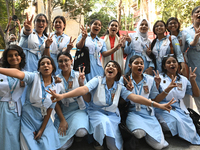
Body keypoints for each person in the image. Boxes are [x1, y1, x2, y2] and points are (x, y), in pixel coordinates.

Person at [47, 60, 175, 150]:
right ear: (105, 69)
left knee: (114, 147)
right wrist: (62, 96)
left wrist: (157, 105)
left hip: (113, 116)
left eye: (114, 66)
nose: (111, 67)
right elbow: (84, 90)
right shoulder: (97, 80)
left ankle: (104, 139)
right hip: (96, 113)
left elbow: (135, 97)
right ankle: (98, 139)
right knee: (103, 123)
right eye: (108, 65)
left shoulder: (119, 86)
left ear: (118, 71)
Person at [0, 55, 63, 150]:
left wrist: (42, 130)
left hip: (44, 118)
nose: (46, 66)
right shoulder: (33, 77)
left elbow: (50, 108)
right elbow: (18, 73)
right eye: (42, 64)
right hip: (28, 118)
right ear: (39, 68)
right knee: (28, 146)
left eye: (48, 63)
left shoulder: (57, 85)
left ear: (53, 67)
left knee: (49, 145)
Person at [121, 55, 170, 149]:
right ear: (130, 65)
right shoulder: (124, 79)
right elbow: (121, 103)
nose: (140, 65)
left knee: (159, 146)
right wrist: (127, 91)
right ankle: (143, 133)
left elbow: (155, 99)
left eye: (141, 63)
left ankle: (148, 134)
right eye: (136, 63)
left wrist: (168, 89)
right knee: (139, 133)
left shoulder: (150, 79)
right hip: (133, 113)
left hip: (148, 114)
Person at [154, 54, 200, 145]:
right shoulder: (159, 79)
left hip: (178, 108)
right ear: (164, 66)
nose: (172, 64)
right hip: (163, 107)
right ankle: (171, 132)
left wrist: (193, 81)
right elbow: (155, 100)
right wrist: (167, 88)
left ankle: (179, 134)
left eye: (174, 62)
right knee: (174, 122)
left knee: (188, 124)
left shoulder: (183, 79)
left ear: (178, 65)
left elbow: (196, 94)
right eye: (168, 62)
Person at [53, 51, 91, 149]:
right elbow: (55, 102)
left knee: (81, 132)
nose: (63, 63)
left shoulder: (80, 75)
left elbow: (88, 99)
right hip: (63, 112)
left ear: (71, 61)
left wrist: (82, 85)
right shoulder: (56, 79)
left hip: (78, 110)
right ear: (57, 63)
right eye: (60, 61)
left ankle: (74, 133)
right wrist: (62, 120)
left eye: (66, 60)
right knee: (62, 147)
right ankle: (70, 136)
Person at [166, 17, 200, 108]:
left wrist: (196, 37)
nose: (173, 25)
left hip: (183, 63)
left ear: (178, 24)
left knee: (183, 84)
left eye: (174, 23)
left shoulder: (184, 34)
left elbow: (191, 43)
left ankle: (187, 109)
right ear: (167, 26)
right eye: (170, 23)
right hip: (169, 64)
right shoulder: (166, 38)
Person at [0, 45, 26, 150]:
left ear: (21, 57)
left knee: (21, 135)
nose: (14, 57)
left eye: (16, 55)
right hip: (5, 108)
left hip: (23, 108)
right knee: (7, 135)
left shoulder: (27, 73)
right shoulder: (1, 73)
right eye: (10, 56)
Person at [184, 6, 200, 113]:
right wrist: (196, 37)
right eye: (197, 12)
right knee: (197, 95)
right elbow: (191, 44)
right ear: (192, 16)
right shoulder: (186, 31)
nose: (199, 14)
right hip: (195, 70)